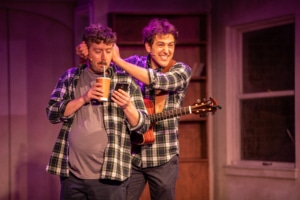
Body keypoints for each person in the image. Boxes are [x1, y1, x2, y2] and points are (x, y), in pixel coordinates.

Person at [77, 18, 192, 200]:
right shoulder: (134, 63)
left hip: (163, 155)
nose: (167, 50)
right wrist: (87, 55)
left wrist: (118, 60)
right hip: (132, 155)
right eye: (161, 44)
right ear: (148, 47)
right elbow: (100, 71)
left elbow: (156, 80)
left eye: (171, 45)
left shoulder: (181, 70)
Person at [46, 24, 150, 200]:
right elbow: (53, 113)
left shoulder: (125, 80)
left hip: (111, 174)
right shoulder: (71, 78)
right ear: (87, 50)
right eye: (98, 50)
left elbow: (142, 125)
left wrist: (127, 107)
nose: (104, 57)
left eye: (108, 50)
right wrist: (84, 98)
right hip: (73, 175)